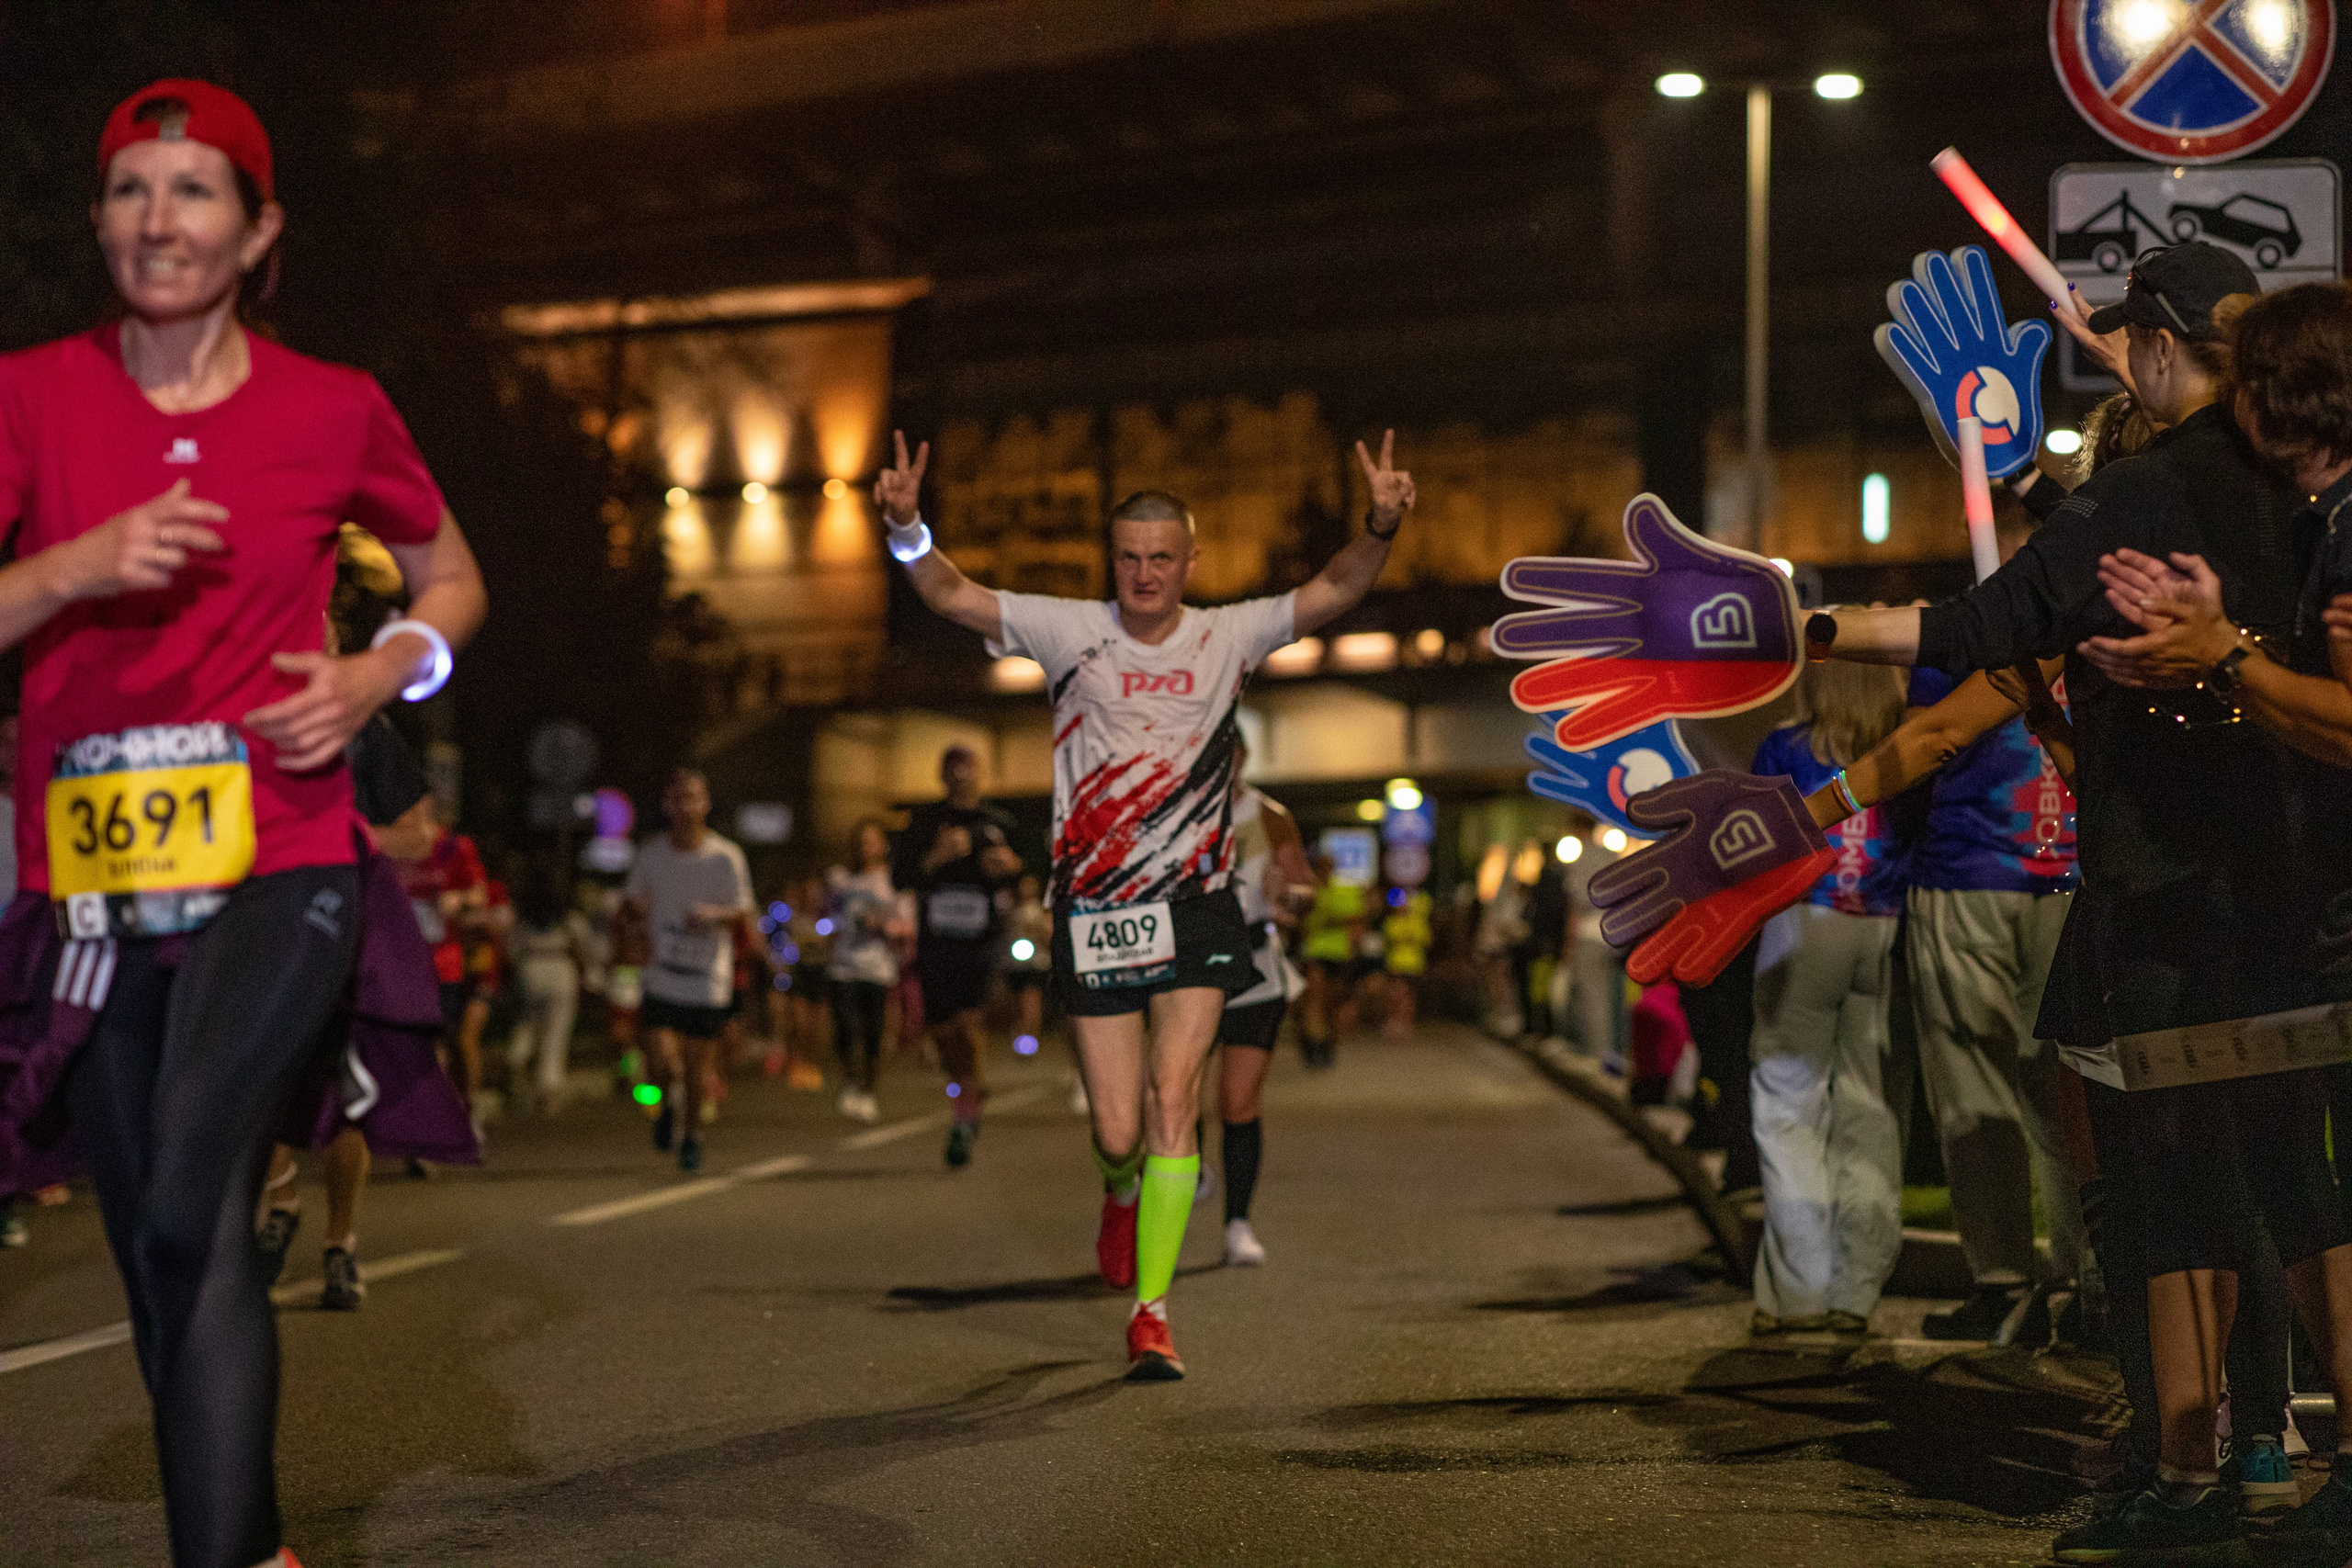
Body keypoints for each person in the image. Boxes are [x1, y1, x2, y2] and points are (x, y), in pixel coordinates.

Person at [0, 79, 485, 1568]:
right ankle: (253, 1534)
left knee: (203, 1175)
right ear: (100, 220)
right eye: (132, 188)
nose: (161, 216)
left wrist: (376, 668)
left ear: (256, 226)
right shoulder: (26, 396)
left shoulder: (333, 406)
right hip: (86, 880)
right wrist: (68, 567)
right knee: (158, 1230)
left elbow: (451, 583)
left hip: (281, 858)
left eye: (194, 188)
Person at [1810, 247, 2352, 1562]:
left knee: (2201, 1182)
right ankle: (2268, 1456)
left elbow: (1980, 630)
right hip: (2255, 891)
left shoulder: (2177, 496)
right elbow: (2002, 647)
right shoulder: (2285, 506)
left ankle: (2210, 1456)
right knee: (2271, 1179)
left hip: (2197, 895)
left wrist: (1794, 619)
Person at [878, 423, 1415, 1379]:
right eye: (1129, 559)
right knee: (1118, 1130)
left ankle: (1152, 1314)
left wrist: (1378, 524)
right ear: (1111, 562)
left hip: (1198, 904)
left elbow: (1334, 589)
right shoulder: (1065, 629)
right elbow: (950, 594)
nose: (1146, 574)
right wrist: (910, 529)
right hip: (1095, 909)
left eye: (1163, 559)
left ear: (1190, 560)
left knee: (1177, 1104)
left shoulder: (1229, 634)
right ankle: (1119, 1195)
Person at [1900, 494, 2087, 1346]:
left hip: (1969, 874)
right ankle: (2091, 1281)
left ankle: (2006, 1278)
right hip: (2068, 875)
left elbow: (1927, 738)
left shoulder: (1979, 623)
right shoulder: (2095, 616)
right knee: (2066, 1089)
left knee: (1978, 1087)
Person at [1744, 660, 1918, 1337]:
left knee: (1788, 1104)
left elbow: (1753, 837)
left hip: (1800, 925)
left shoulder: (1785, 747)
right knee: (1871, 1110)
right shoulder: (1907, 745)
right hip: (1884, 925)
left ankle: (1801, 1289)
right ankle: (1856, 1289)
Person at [620, 769, 754, 1173]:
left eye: (694, 798)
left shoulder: (726, 856)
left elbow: (743, 913)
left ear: (706, 804)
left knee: (697, 1065)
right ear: (667, 805)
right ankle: (666, 1106)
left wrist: (713, 916)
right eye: (678, 798)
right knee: (660, 1059)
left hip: (706, 978)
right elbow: (630, 903)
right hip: (662, 973)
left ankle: (692, 1135)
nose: (686, 806)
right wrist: (635, 923)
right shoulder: (652, 854)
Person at [895, 744, 1022, 1167]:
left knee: (969, 1022)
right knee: (945, 1030)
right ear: (942, 775)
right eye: (954, 769)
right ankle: (970, 1083)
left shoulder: (999, 822)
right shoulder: (924, 821)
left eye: (970, 768)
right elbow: (902, 876)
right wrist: (938, 856)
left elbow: (1027, 873)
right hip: (937, 939)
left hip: (981, 939)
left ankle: (964, 1109)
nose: (962, 776)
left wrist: (1007, 865)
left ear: (981, 774)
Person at [1217, 757, 1313, 1267]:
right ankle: (1182, 1161)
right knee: (1174, 1093)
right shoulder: (1175, 811)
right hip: (1188, 970)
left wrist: (1288, 899)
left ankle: (1238, 1223)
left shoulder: (1267, 815)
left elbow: (1304, 889)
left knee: (1238, 1100)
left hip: (1253, 968)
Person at [825, 818, 898, 1123]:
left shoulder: (892, 881)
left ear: (883, 845)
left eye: (871, 840)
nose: (864, 846)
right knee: (845, 1028)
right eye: (860, 841)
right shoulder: (839, 879)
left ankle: (868, 1091)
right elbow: (825, 915)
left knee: (872, 1033)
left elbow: (905, 923)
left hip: (878, 967)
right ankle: (851, 1083)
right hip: (843, 965)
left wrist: (884, 925)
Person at [506, 854, 588, 1118]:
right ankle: (548, 1086)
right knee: (555, 1032)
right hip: (560, 968)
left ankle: (516, 1057)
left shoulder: (524, 913)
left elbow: (511, 947)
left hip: (530, 966)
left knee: (528, 1020)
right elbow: (583, 948)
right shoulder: (568, 916)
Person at [1297, 852, 1361, 1066]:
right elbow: (1301, 919)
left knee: (1333, 1002)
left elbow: (1356, 915)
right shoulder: (1309, 890)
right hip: (1315, 951)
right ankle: (1315, 1043)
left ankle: (1328, 1044)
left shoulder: (1342, 888)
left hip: (1339, 953)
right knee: (1315, 999)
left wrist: (1334, 918)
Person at [1003, 872, 1054, 1058]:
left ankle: (1029, 1044)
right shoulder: (1012, 909)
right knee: (1017, 1007)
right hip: (1015, 964)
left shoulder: (1041, 911)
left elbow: (1048, 937)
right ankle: (1020, 1040)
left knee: (1031, 1005)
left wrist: (1040, 932)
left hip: (1036, 964)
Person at [1380, 881, 1432, 1039]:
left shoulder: (1417, 922)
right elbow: (1390, 939)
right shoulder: (1391, 921)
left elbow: (1426, 940)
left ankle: (1405, 1024)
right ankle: (1394, 1022)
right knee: (1396, 994)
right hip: (1396, 963)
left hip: (1414, 964)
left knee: (1408, 996)